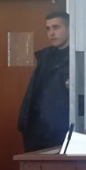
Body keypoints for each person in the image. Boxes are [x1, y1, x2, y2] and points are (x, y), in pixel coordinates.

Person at [17, 11, 70, 152]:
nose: (51, 33)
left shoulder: (77, 57)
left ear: (69, 28)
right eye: (48, 29)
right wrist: (24, 123)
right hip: (37, 132)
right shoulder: (45, 58)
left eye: (56, 27)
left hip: (61, 133)